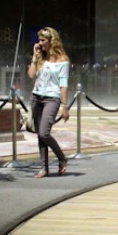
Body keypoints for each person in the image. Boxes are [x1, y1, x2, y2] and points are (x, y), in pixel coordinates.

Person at [28, 27, 70, 178]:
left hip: (52, 98)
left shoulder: (62, 61)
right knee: (40, 135)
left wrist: (65, 106)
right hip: (36, 97)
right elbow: (31, 74)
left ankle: (62, 158)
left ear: (51, 41)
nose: (39, 43)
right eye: (39, 40)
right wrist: (35, 56)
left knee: (44, 132)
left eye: (42, 40)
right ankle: (44, 168)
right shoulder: (40, 57)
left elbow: (63, 84)